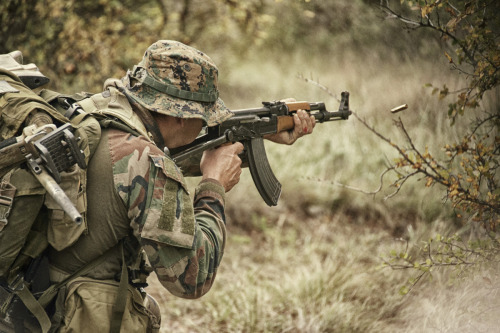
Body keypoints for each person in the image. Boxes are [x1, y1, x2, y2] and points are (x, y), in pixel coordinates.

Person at [17, 40, 316, 332]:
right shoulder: (147, 162)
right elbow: (192, 278)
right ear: (179, 115)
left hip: (29, 295)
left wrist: (261, 132)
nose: (205, 125)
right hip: (68, 314)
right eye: (203, 118)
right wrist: (213, 186)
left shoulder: (101, 112)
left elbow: (154, 162)